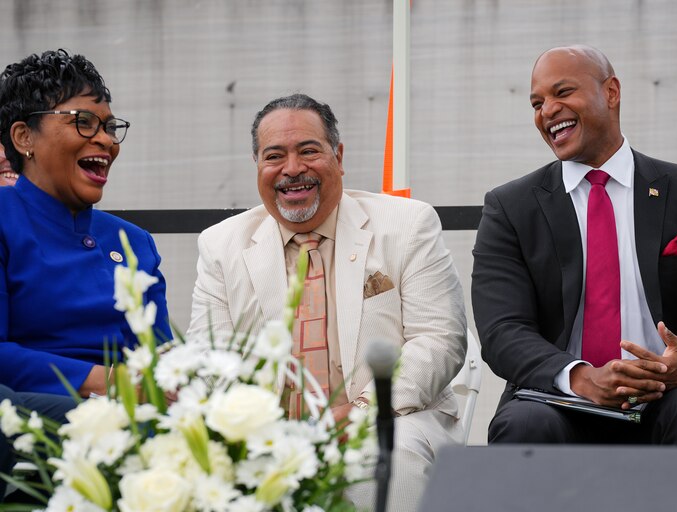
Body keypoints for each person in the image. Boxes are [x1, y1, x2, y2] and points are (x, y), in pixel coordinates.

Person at [188, 93, 467, 511]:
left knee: (381, 457)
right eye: (274, 156)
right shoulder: (221, 245)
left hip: (392, 415)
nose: (292, 169)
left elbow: (440, 339)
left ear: (338, 156)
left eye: (308, 151)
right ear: (257, 165)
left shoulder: (407, 224)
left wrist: (360, 410)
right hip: (269, 432)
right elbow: (209, 359)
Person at [472, 45, 677, 445]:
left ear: (611, 92)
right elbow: (503, 330)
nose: (547, 110)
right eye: (537, 103)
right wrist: (581, 377)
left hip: (665, 397)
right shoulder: (510, 208)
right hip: (557, 400)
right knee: (523, 425)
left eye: (562, 92)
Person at [0, 50, 171, 497]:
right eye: (84, 122)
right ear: (24, 136)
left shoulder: (133, 241)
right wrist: (107, 383)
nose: (106, 141)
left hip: (134, 413)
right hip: (32, 418)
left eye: (110, 127)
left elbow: (160, 354)